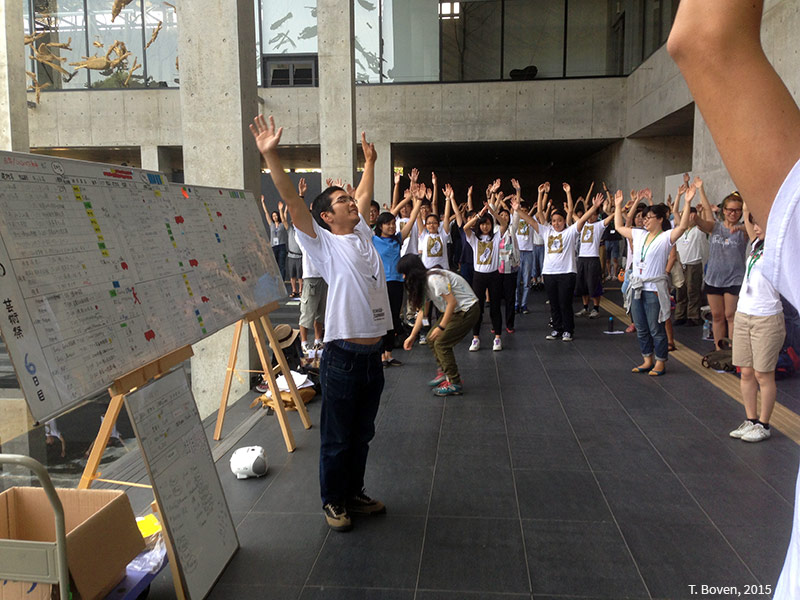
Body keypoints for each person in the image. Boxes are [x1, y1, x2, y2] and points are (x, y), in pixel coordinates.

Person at [668, 6, 800, 593]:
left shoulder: (765, 240)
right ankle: (750, 417)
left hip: (763, 312)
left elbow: (704, 38)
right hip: (744, 307)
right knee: (743, 361)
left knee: (761, 366)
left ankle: (762, 420)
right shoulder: (754, 239)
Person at [251, 114, 389, 533]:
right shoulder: (323, 244)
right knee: (337, 439)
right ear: (327, 218)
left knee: (362, 436)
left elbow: (363, 196)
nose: (352, 202)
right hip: (344, 357)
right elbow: (293, 201)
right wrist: (271, 155)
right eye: (342, 202)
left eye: (351, 201)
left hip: (371, 358)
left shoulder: (361, 233)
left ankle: (354, 492)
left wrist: (369, 164)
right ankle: (333, 501)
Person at [615, 189, 692, 376]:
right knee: (641, 326)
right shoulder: (639, 234)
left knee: (656, 327)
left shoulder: (666, 237)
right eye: (644, 217)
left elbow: (682, 227)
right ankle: (647, 358)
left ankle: (660, 361)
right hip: (637, 286)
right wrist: (617, 206)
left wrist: (687, 202)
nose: (645, 220)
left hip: (653, 289)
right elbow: (618, 226)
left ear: (659, 219)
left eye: (649, 217)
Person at [729, 204, 785, 443]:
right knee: (746, 372)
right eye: (755, 222)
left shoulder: (780, 249)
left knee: (764, 374)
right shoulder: (756, 244)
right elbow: (748, 216)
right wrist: (747, 207)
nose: (756, 227)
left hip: (767, 317)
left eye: (761, 223)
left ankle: (764, 424)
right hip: (744, 313)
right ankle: (750, 420)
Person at [399, 254, 479, 396]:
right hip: (454, 311)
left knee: (441, 342)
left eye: (405, 274)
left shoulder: (434, 279)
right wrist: (412, 336)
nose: (404, 278)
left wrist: (441, 327)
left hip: (467, 310)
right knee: (431, 338)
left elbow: (452, 302)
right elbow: (423, 313)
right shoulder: (424, 282)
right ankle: (444, 372)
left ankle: (454, 382)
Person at [693, 178, 748, 348]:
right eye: (730, 210)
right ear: (724, 210)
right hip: (714, 278)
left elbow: (754, 227)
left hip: (734, 278)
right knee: (717, 316)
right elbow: (702, 222)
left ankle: (732, 351)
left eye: (737, 210)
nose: (733, 213)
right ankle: (719, 350)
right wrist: (698, 192)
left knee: (731, 315)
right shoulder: (715, 227)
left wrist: (740, 227)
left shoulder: (744, 230)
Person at [372, 197, 421, 368]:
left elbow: (412, 219)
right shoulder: (373, 239)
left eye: (393, 223)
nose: (392, 226)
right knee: (381, 319)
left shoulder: (397, 239)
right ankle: (380, 355)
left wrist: (418, 201)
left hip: (396, 283)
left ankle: (389, 354)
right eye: (388, 224)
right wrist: (405, 198)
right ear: (380, 226)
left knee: (393, 318)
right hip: (380, 283)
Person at [462, 204, 504, 351]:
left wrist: (493, 213)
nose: (485, 227)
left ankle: (497, 338)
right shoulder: (474, 238)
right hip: (479, 276)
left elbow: (504, 224)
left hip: (494, 275)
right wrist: (479, 215)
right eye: (483, 224)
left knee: (495, 307)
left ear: (491, 225)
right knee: (477, 309)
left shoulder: (496, 237)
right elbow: (465, 227)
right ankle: (475, 338)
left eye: (488, 224)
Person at [574, 190, 614, 319]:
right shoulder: (582, 225)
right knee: (582, 285)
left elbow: (611, 217)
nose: (590, 217)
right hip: (582, 259)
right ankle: (585, 307)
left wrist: (616, 207)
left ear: (597, 216)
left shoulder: (599, 226)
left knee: (594, 284)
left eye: (593, 215)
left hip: (593, 258)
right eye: (588, 215)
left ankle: (596, 308)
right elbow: (571, 214)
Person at [281, 187, 304, 298]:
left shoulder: (301, 230)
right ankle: (294, 290)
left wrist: (301, 195)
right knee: (292, 275)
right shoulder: (290, 230)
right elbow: (284, 221)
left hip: (299, 256)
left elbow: (300, 214)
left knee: (300, 275)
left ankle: (300, 290)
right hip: (291, 255)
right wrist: (281, 210)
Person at [266, 202, 288, 282]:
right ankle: (274, 280)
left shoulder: (282, 224)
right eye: (273, 216)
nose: (274, 217)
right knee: (274, 265)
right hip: (273, 247)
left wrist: (283, 208)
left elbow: (285, 216)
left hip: (281, 246)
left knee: (281, 265)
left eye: (276, 215)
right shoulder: (271, 224)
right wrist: (263, 203)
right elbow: (266, 213)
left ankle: (281, 281)